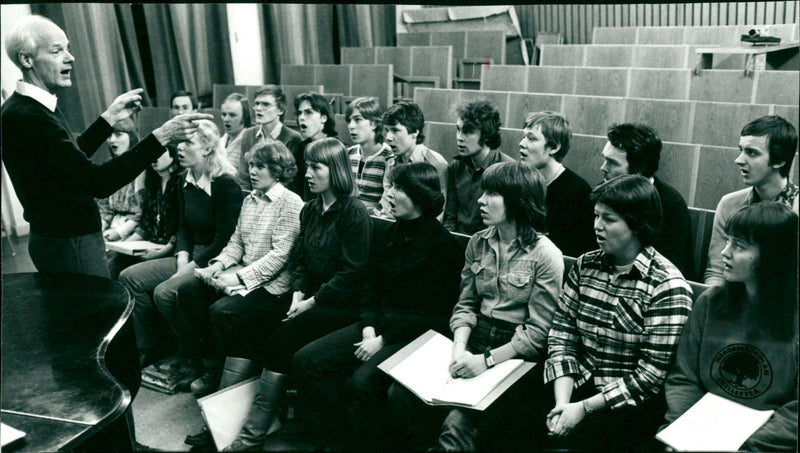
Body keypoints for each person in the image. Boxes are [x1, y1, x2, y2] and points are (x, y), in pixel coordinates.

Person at [1, 14, 211, 277]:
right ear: (26, 59)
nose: (70, 57)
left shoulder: (23, 108)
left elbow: (66, 162)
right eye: (57, 51)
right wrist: (161, 137)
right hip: (71, 243)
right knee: (94, 317)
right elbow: (96, 182)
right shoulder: (30, 116)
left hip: (62, 240)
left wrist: (108, 119)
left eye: (68, 48)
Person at [388, 161, 564, 451]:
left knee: (457, 423)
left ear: (518, 201)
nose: (480, 200)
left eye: (491, 194)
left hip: (513, 353)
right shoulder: (478, 243)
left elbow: (537, 333)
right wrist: (459, 348)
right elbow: (465, 304)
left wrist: (485, 362)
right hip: (473, 339)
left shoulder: (545, 255)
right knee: (401, 395)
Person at [293, 162, 463, 449]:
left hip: (414, 335)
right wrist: (370, 329)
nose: (390, 195)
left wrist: (382, 338)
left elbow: (433, 314)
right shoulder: (392, 233)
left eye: (398, 189)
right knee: (308, 360)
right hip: (376, 327)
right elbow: (370, 289)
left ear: (420, 196)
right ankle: (335, 437)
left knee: (363, 381)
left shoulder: (442, 246)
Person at [224, 138, 371, 451]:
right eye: (308, 166)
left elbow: (351, 273)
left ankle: (252, 432)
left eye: (316, 167)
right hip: (309, 297)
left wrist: (310, 302)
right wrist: (297, 297)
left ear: (335, 171)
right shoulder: (312, 209)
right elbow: (301, 262)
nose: (308, 173)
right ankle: (227, 421)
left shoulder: (353, 212)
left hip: (341, 304)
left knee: (281, 341)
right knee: (249, 324)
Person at [541, 174, 693, 451]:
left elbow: (650, 376)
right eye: (596, 216)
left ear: (637, 225)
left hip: (626, 407)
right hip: (574, 386)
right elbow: (562, 334)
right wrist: (563, 403)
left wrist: (583, 408)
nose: (597, 226)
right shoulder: (585, 266)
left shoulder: (667, 286)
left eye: (609, 219)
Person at [172, 140, 304, 397]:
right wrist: (217, 266)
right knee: (188, 291)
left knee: (222, 311)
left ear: (278, 170)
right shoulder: (250, 200)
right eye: (251, 165)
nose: (253, 171)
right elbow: (236, 243)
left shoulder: (291, 203)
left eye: (261, 166)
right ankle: (212, 366)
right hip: (243, 274)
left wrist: (238, 279)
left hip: (273, 286)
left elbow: (279, 257)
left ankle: (227, 376)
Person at [664, 202, 798, 451]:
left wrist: (742, 446)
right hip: (699, 433)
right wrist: (679, 431)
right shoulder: (709, 302)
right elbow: (684, 378)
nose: (724, 252)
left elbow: (794, 414)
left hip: (762, 443)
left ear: (772, 255)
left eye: (738, 245)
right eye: (728, 241)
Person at [119, 120, 243, 368]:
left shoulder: (224, 183)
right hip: (191, 255)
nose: (179, 149)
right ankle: (153, 345)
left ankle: (195, 356)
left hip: (216, 259)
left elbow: (225, 239)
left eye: (188, 143)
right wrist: (182, 257)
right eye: (179, 144)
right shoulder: (185, 180)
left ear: (207, 149)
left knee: (164, 292)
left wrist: (189, 266)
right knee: (128, 277)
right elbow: (183, 226)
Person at [704, 115, 798, 287]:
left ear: (780, 160)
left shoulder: (796, 210)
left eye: (752, 153)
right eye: (741, 150)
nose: (739, 160)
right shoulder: (729, 204)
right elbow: (716, 272)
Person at [600, 123, 692, 277]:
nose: (603, 167)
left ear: (638, 170)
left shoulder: (671, 205)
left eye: (612, 163)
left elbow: (671, 268)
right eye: (605, 159)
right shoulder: (602, 193)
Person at [519, 111, 595, 258]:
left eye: (531, 138)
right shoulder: (522, 182)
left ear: (554, 147)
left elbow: (579, 252)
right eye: (523, 137)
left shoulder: (578, 192)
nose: (521, 143)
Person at [107, 146, 183, 279]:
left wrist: (159, 253)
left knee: (123, 270)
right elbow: (146, 224)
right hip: (150, 246)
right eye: (152, 153)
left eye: (160, 152)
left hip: (171, 250)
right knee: (112, 261)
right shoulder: (154, 184)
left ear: (173, 154)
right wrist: (124, 247)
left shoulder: (179, 183)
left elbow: (180, 231)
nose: (154, 157)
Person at [443, 100, 514, 235]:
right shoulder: (455, 167)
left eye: (468, 131)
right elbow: (450, 216)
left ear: (486, 134)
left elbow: (506, 224)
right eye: (458, 130)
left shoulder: (508, 170)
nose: (459, 138)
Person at [376, 100, 448, 220]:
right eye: (387, 130)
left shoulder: (435, 163)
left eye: (395, 130)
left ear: (415, 131)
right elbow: (386, 204)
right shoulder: (390, 162)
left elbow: (439, 213)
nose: (388, 138)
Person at [235, 86, 303, 194]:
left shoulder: (293, 138)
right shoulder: (248, 134)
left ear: (280, 110)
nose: (258, 108)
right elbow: (243, 177)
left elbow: (290, 181)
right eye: (257, 103)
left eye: (265, 104)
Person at [97, 118, 143, 243]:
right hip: (110, 230)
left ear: (131, 137)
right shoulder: (109, 168)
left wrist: (119, 232)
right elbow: (104, 208)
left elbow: (143, 213)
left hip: (134, 232)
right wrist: (100, 228)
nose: (112, 140)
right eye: (109, 135)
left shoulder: (142, 170)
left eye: (118, 135)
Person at [345, 96, 392, 212]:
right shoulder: (347, 154)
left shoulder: (389, 157)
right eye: (349, 121)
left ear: (374, 123)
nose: (351, 126)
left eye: (357, 120)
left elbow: (387, 203)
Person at [294, 91, 339, 199]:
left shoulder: (336, 147)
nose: (301, 118)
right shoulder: (301, 147)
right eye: (299, 113)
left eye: (308, 112)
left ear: (324, 117)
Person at [218, 93, 251, 170]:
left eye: (232, 115)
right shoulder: (220, 141)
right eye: (224, 114)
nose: (226, 119)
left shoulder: (249, 143)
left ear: (244, 117)